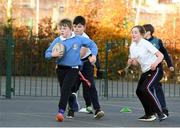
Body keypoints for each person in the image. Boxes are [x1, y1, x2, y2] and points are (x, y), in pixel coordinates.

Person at [45, 18, 102, 121]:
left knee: (66, 88)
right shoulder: (58, 40)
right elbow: (47, 54)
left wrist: (93, 55)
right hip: (61, 69)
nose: (62, 30)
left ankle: (61, 111)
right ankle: (73, 102)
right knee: (65, 90)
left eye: (65, 28)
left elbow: (93, 45)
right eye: (61, 28)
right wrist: (53, 54)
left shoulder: (78, 39)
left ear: (71, 29)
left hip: (73, 68)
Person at [67, 15, 104, 118]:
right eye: (75, 26)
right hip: (74, 63)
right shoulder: (70, 36)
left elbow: (82, 54)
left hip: (86, 63)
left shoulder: (85, 38)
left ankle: (97, 110)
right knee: (72, 87)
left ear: (84, 27)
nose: (76, 29)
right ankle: (71, 110)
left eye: (79, 26)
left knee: (90, 85)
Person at [128, 25, 167, 122]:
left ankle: (160, 113)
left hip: (156, 69)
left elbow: (161, 55)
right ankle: (149, 114)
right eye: (132, 32)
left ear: (141, 34)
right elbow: (136, 63)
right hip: (146, 71)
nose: (133, 34)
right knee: (139, 91)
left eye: (135, 32)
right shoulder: (132, 46)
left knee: (146, 88)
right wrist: (132, 62)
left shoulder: (146, 43)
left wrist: (155, 63)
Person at [143, 24, 174, 117]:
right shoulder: (142, 42)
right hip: (147, 70)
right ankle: (155, 109)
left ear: (148, 32)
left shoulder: (157, 41)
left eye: (142, 31)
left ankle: (163, 110)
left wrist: (170, 65)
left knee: (153, 88)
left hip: (157, 69)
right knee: (150, 88)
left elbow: (164, 53)